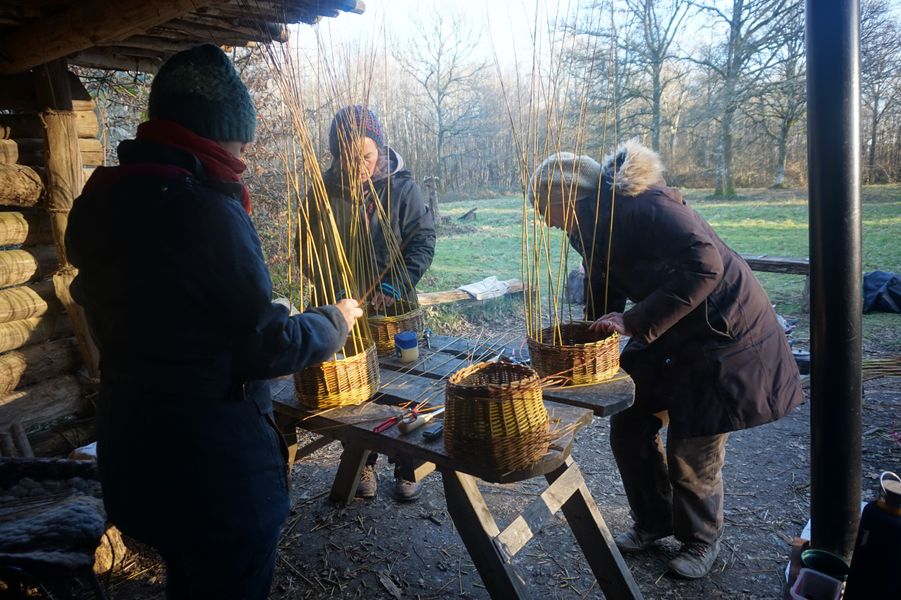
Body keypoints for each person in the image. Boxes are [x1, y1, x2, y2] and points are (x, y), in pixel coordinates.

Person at [66, 44, 363, 599]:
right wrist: (333, 321)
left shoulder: (108, 200)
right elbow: (265, 347)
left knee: (191, 578)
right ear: (208, 132)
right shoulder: (204, 211)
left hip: (138, 454)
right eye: (239, 137)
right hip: (213, 472)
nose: (246, 151)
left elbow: (180, 322)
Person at [529, 141, 803, 579]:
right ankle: (655, 521)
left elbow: (705, 265)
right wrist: (590, 333)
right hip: (671, 330)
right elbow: (605, 280)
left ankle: (699, 541)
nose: (543, 219)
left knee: (692, 444)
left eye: (544, 207)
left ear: (567, 198)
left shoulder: (646, 207)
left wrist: (634, 320)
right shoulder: (590, 224)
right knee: (630, 424)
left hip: (722, 334)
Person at [302, 105, 436, 502]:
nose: (359, 165)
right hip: (342, 310)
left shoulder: (402, 189)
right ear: (334, 155)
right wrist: (333, 287)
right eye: (348, 157)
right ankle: (365, 463)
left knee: (403, 383)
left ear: (380, 150)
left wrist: (396, 283)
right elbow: (306, 250)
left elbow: (423, 239)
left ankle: (406, 466)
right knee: (357, 389)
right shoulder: (322, 193)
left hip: (394, 309)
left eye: (367, 155)